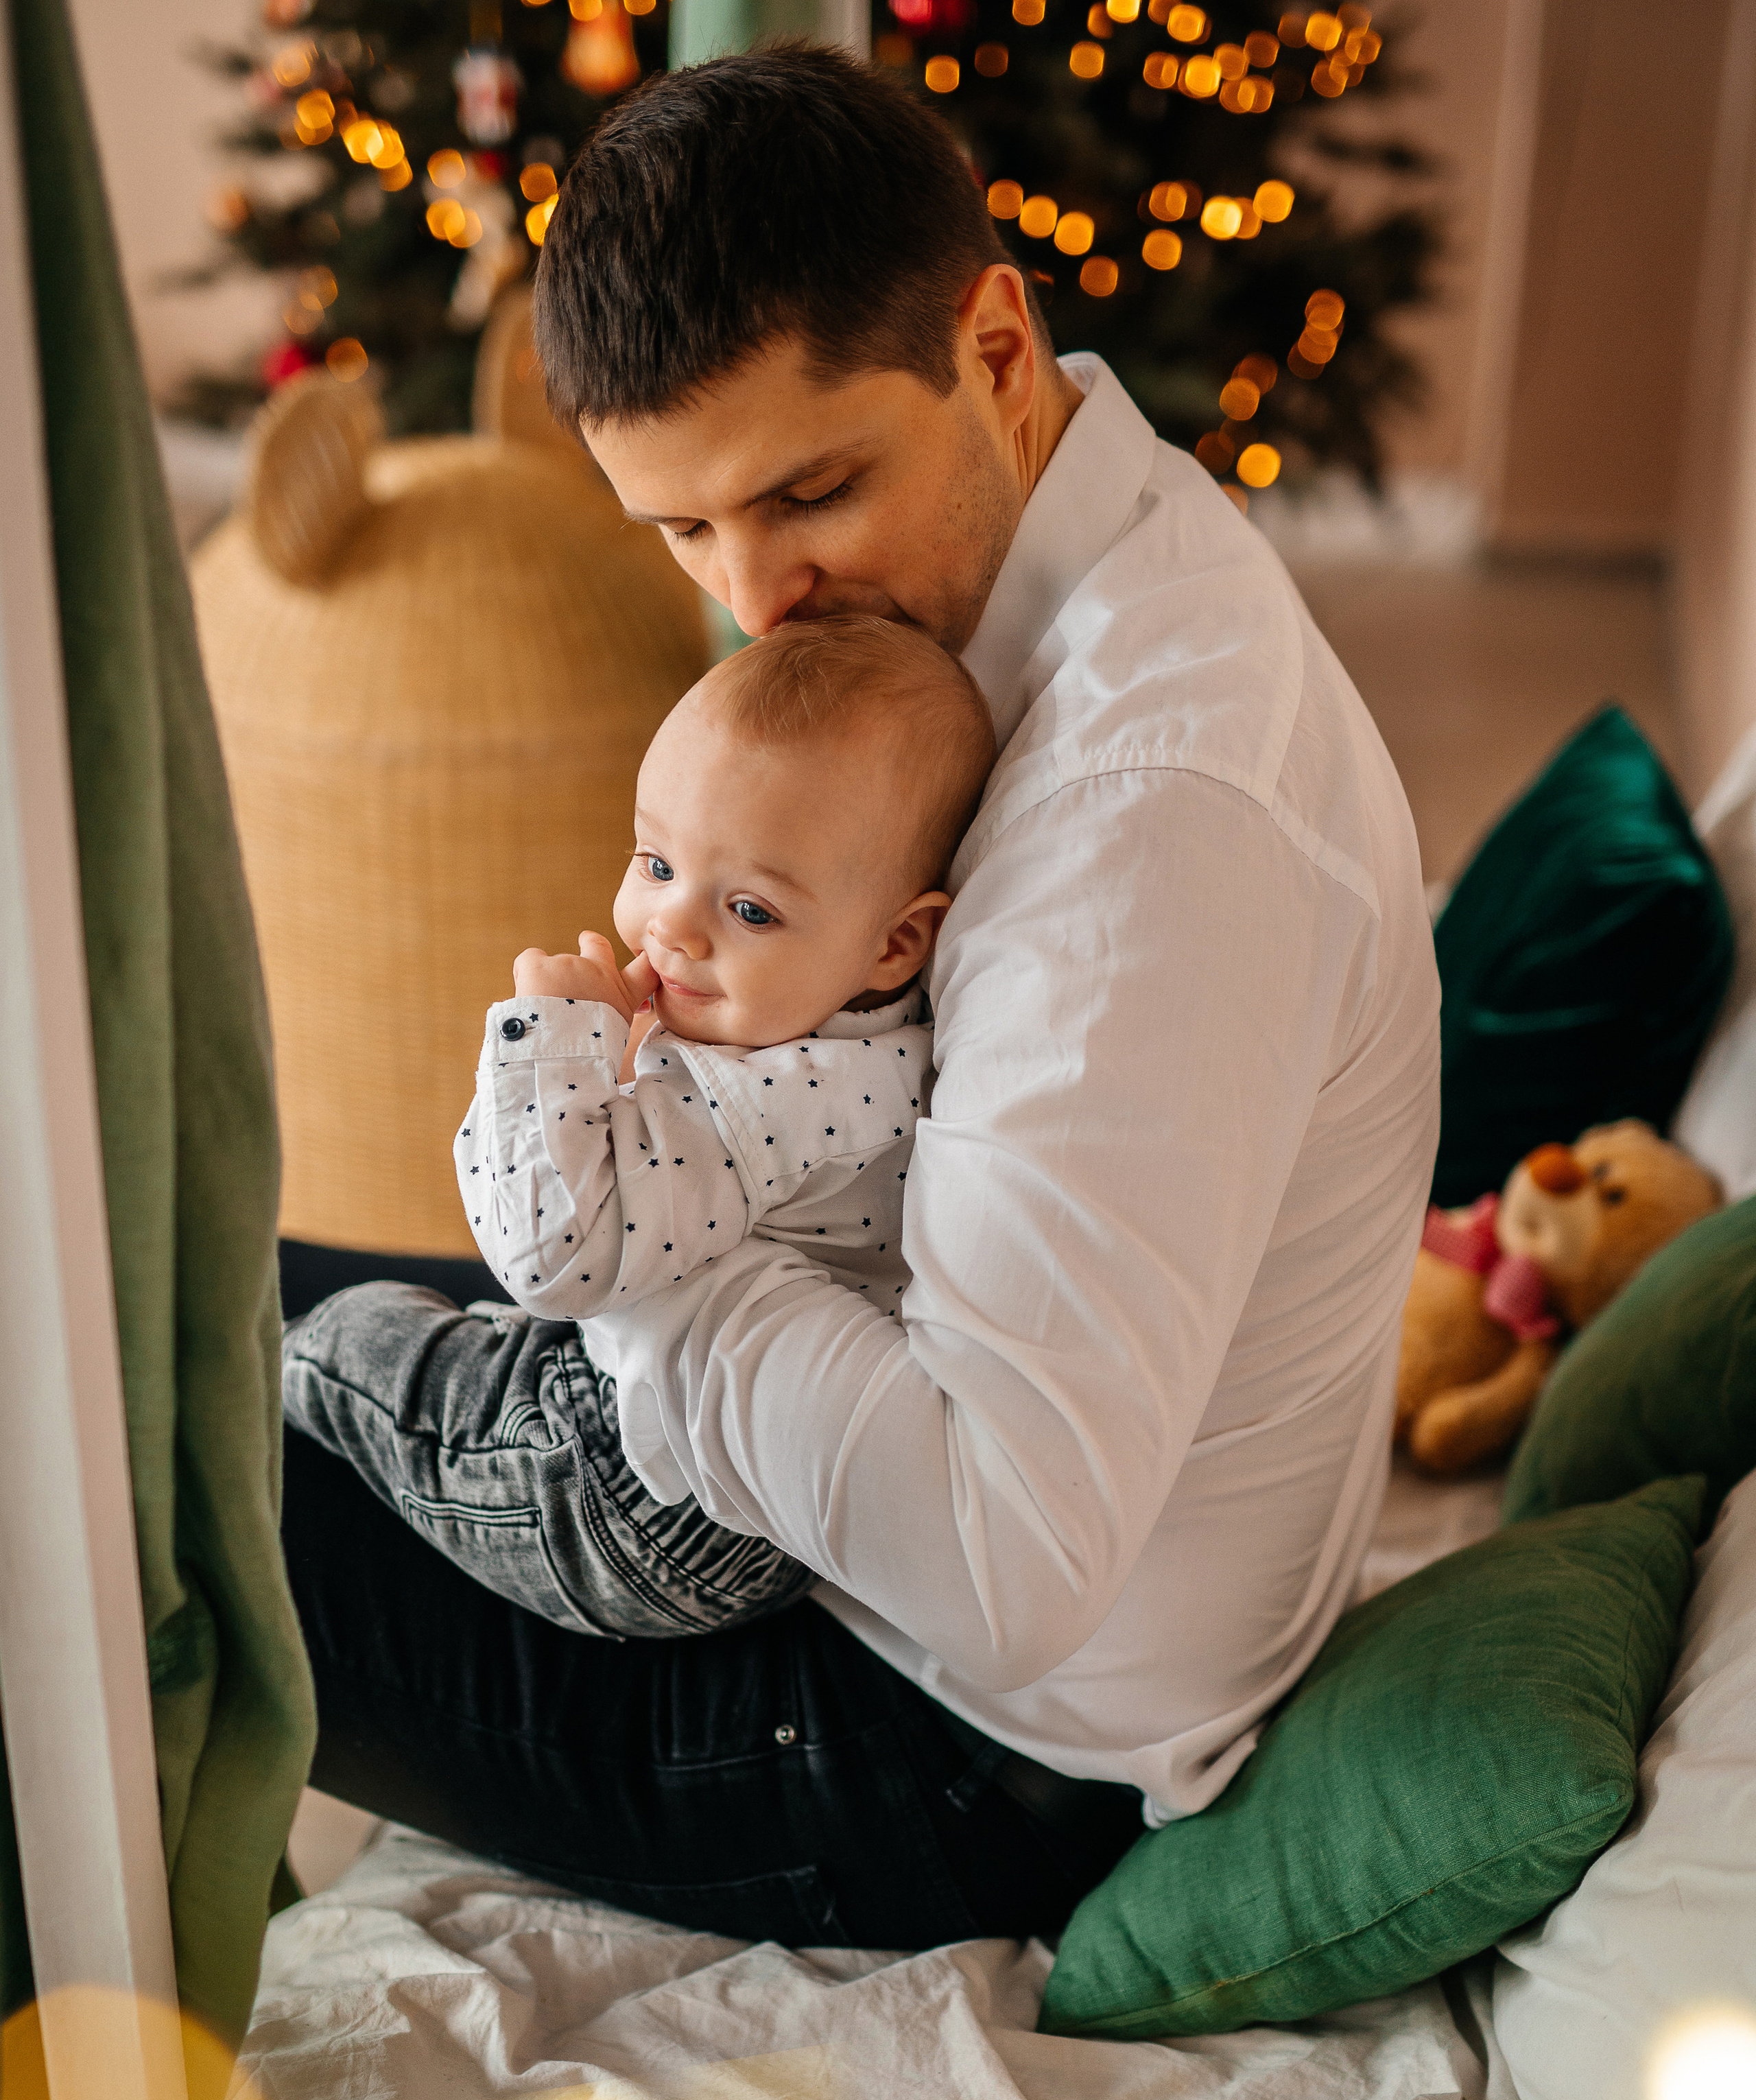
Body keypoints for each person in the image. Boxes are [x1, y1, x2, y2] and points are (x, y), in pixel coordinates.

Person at [280, 40, 1439, 1952]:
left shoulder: (1150, 815)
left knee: (83, 1443)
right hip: (809, 1521)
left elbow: (1001, 1567)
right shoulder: (1049, 602)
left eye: (809, 491)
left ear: (995, 346)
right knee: (160, 1295)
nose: (757, 600)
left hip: (943, 1745)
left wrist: (640, 1248)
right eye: (682, 528)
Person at [283, 617, 992, 1634]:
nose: (671, 927)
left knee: (352, 1338)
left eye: (750, 910)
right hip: (727, 1501)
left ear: (898, 940)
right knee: (431, 1327)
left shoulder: (768, 1103)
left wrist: (551, 1041)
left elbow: (551, 1252)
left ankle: (244, 1390)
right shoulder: (871, 1033)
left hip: (622, 1499)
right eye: (655, 862)